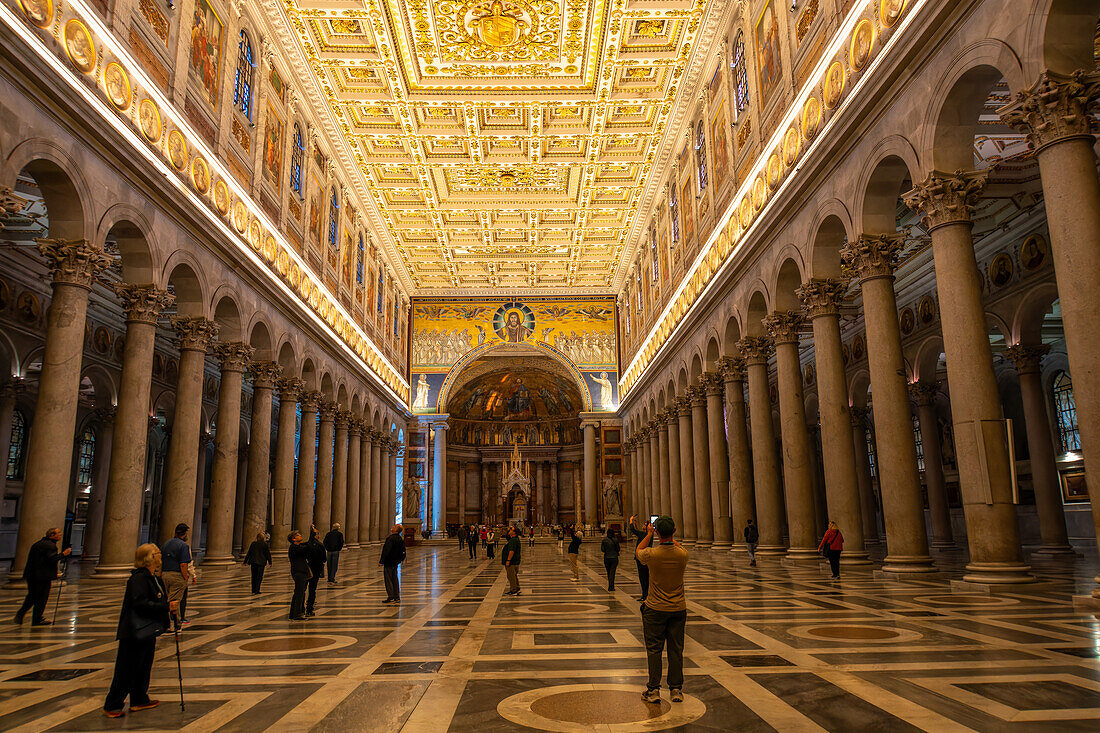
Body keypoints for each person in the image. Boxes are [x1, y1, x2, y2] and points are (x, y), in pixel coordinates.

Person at [102, 543, 176, 718]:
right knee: (127, 668)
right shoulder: (138, 579)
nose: (161, 555)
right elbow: (139, 603)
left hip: (148, 629)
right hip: (134, 631)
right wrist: (164, 607)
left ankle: (139, 699)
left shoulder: (153, 578)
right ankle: (113, 704)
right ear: (150, 558)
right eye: (158, 553)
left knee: (143, 666)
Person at [636, 515, 689, 704]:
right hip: (678, 608)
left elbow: (638, 550)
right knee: (676, 650)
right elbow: (678, 545)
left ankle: (654, 690)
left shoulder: (652, 554)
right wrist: (667, 536)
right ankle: (676, 689)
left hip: (655, 609)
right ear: (674, 531)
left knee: (654, 650)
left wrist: (649, 534)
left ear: (657, 532)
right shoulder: (682, 555)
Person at [14, 527, 70, 626]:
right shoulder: (50, 546)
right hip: (42, 576)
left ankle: (21, 613)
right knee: (41, 598)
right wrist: (63, 554)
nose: (60, 534)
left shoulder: (38, 544)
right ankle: (36, 618)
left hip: (32, 575)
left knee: (32, 596)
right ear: (52, 535)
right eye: (58, 533)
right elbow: (52, 559)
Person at [160, 523, 193, 629]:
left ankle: (166, 622)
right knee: (175, 601)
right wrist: (185, 577)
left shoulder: (166, 544)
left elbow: (161, 560)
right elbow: (183, 564)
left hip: (165, 574)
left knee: (167, 599)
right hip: (176, 575)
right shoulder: (183, 546)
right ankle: (176, 624)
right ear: (185, 533)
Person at [287, 530, 311, 620]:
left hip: (300, 572)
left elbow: (307, 544)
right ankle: (297, 614)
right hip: (299, 572)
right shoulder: (294, 548)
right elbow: (307, 547)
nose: (300, 536)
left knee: (299, 593)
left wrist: (312, 532)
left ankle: (295, 613)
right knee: (299, 593)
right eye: (298, 535)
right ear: (293, 539)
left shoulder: (297, 546)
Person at [380, 523, 406, 603]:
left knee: (388, 579)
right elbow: (403, 550)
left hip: (389, 561)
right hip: (395, 562)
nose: (392, 527)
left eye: (394, 526)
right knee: (395, 578)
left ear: (396, 530)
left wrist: (382, 561)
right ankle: (396, 596)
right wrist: (400, 559)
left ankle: (390, 596)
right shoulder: (400, 538)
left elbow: (386, 550)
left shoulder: (390, 538)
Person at [628, 516, 651, 604]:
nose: (643, 526)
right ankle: (646, 595)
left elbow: (633, 530)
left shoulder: (644, 535)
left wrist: (631, 521)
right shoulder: (648, 535)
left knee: (643, 578)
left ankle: (645, 595)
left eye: (645, 525)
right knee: (646, 577)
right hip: (647, 557)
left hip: (641, 558)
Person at [305, 526, 326, 617]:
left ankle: (300, 607)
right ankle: (309, 608)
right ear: (316, 535)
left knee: (303, 589)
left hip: (305, 569)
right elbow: (324, 559)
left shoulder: (305, 545)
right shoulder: (320, 545)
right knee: (312, 589)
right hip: (316, 569)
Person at [502, 525, 522, 595]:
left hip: (512, 561)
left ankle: (513, 589)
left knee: (511, 576)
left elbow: (511, 551)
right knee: (513, 575)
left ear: (514, 533)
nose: (509, 531)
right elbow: (507, 536)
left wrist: (508, 560)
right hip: (514, 561)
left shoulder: (513, 540)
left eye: (511, 530)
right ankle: (516, 587)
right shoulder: (514, 539)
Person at [601, 527, 620, 591]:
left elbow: (602, 549)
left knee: (608, 572)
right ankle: (611, 586)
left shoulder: (604, 540)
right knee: (612, 572)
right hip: (614, 558)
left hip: (607, 558)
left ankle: (610, 585)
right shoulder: (616, 540)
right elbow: (618, 549)